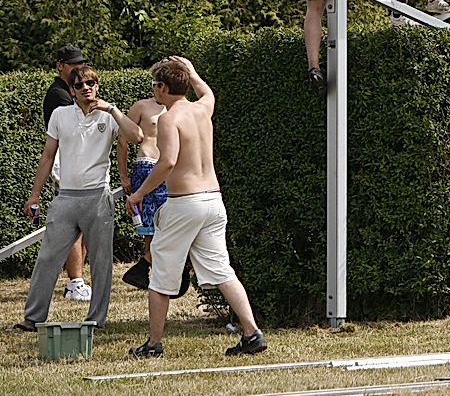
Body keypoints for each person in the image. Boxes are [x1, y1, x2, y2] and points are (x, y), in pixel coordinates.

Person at [127, 56, 266, 358]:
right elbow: (208, 94)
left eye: (155, 85)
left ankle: (153, 345)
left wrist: (138, 194)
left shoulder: (168, 118)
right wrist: (192, 73)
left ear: (162, 87)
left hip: (184, 204)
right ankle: (252, 333)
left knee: (161, 275)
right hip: (213, 201)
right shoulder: (202, 110)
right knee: (221, 270)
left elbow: (168, 162)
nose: (154, 90)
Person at [9, 65, 143, 333]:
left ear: (97, 85)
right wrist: (35, 194)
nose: (87, 88)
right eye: (80, 85)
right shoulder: (60, 115)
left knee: (102, 262)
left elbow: (137, 136)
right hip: (66, 198)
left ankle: (96, 320)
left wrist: (112, 108)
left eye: (91, 83)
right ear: (72, 90)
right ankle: (32, 319)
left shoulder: (111, 114)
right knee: (47, 258)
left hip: (98, 197)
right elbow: (48, 156)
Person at [41, 45, 91, 303]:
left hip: (74, 166)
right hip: (66, 168)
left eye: (81, 63)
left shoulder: (66, 92)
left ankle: (78, 280)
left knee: (81, 228)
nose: (77, 69)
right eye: (73, 65)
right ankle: (75, 282)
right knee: (73, 228)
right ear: (60, 65)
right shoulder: (59, 96)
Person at [117, 92, 169, 292]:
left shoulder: (178, 106)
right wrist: (123, 176)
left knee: (170, 222)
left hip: (170, 168)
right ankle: (151, 273)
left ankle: (145, 267)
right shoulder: (141, 106)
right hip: (147, 164)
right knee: (149, 226)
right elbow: (123, 141)